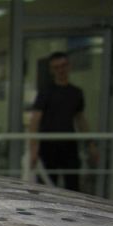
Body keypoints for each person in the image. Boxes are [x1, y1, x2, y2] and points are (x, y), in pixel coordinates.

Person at [28, 51, 98, 191]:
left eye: (63, 66)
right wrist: (33, 148)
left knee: (72, 185)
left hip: (69, 144)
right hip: (48, 144)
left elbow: (80, 119)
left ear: (69, 66)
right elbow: (35, 119)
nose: (61, 70)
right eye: (56, 67)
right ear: (51, 70)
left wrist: (90, 144)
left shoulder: (76, 92)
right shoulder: (46, 92)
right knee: (46, 186)